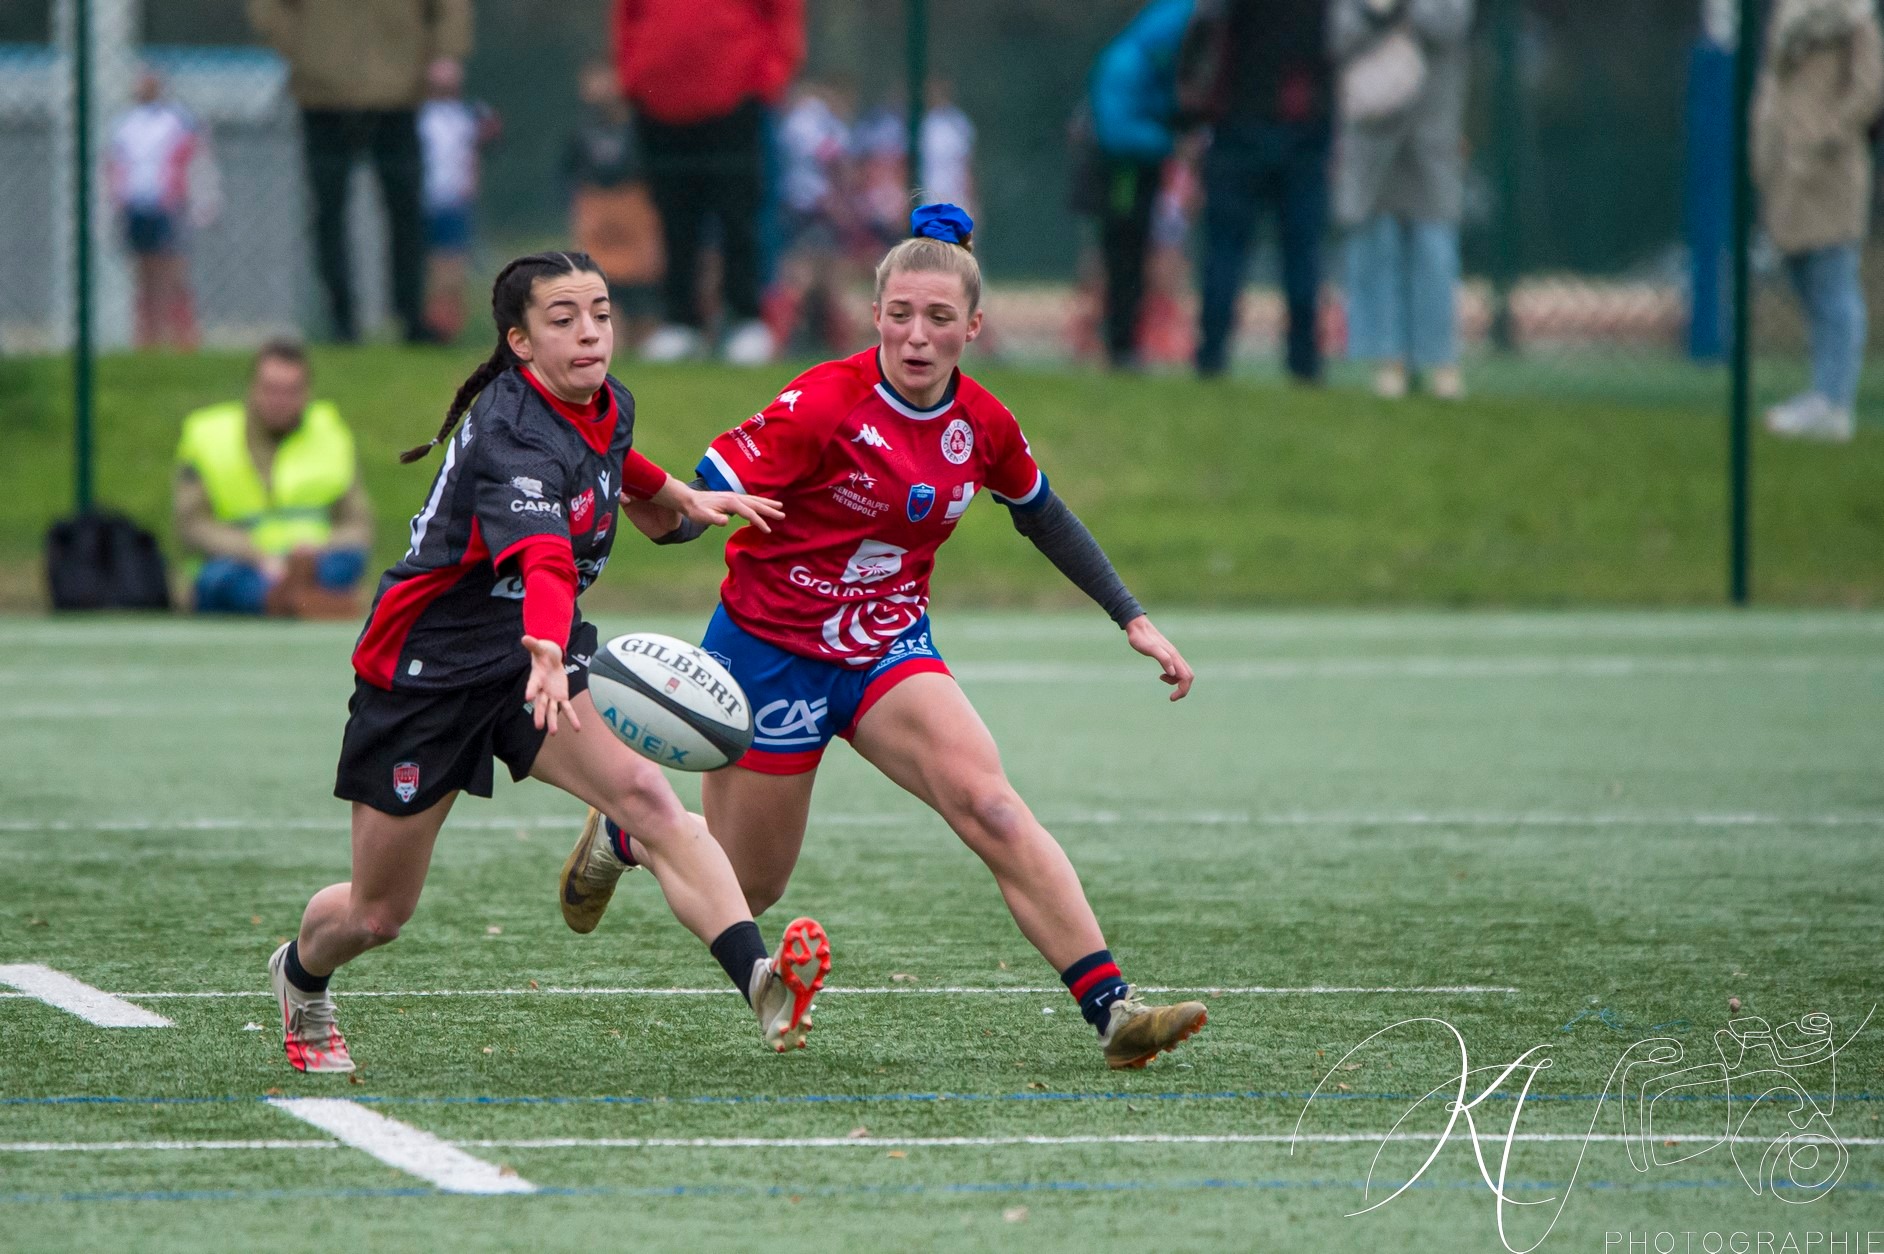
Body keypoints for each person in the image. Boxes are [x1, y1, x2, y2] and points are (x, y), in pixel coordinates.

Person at [558, 207, 1209, 1072]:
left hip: (885, 650)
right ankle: (629, 835)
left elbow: (1042, 514)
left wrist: (1132, 617)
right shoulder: (823, 403)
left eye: (939, 318)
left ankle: (1113, 1012)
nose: (917, 335)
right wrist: (622, 492)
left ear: (972, 327)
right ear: (875, 316)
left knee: (991, 805)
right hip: (768, 655)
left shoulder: (981, 422)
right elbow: (694, 504)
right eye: (900, 314)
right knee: (748, 886)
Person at [268, 251, 827, 1074]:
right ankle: (301, 975)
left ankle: (761, 980)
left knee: (648, 800)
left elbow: (610, 457)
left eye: (600, 313)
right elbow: (545, 559)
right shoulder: (512, 435)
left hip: (534, 659)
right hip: (426, 672)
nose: (590, 332)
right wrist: (544, 642)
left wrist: (678, 496)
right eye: (563, 319)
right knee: (378, 913)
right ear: (521, 343)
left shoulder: (605, 400)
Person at [246, 0, 471, 344]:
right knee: (328, 212)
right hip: (323, 93)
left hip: (399, 88)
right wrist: (303, 50)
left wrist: (445, 52)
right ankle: (341, 320)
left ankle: (410, 316)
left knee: (406, 209)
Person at [611, 0, 805, 366]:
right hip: (659, 102)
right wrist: (634, 75)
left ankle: (746, 319)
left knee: (739, 214)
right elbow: (627, 17)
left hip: (736, 99)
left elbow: (782, 16)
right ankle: (680, 321)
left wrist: (769, 77)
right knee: (673, 217)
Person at [1754, 0, 1884, 442]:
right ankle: (1822, 392)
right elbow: (1772, 81)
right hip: (1786, 166)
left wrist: (1829, 131)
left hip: (1832, 168)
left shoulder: (1856, 15)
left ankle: (1834, 401)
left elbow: (1869, 87)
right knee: (1802, 275)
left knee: (1833, 281)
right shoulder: (1787, 12)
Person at [1331, 0, 1474, 401]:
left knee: (1435, 250)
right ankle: (1387, 359)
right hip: (1370, 131)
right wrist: (1374, 12)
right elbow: (1339, 33)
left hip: (1433, 132)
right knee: (1374, 247)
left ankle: (1440, 361)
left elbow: (1452, 23)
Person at [174, 340, 373, 618]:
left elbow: (359, 527)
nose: (280, 401)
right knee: (218, 580)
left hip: (312, 562)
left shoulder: (331, 434)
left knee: (346, 561)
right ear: (252, 388)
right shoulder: (209, 436)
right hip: (242, 562)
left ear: (307, 393)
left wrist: (314, 550)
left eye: (291, 391)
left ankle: (289, 600)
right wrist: (255, 554)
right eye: (271, 389)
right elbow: (192, 525)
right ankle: (304, 602)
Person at [1191, 0, 1334, 381]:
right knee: (1301, 253)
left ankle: (1211, 356)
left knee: (1225, 250)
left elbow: (1205, 35)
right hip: (1302, 126)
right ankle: (1304, 362)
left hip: (1239, 125)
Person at [1088, 0, 1196, 369]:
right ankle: (1119, 342)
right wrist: (1170, 144)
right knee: (1123, 250)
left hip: (1139, 168)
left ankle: (1126, 340)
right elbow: (1115, 131)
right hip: (1125, 173)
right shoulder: (1129, 63)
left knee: (1133, 252)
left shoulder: (1151, 60)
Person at [109, 68, 216, 351]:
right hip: (136, 205)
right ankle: (148, 338)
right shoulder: (124, 124)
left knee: (173, 272)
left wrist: (202, 201)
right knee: (144, 274)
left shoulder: (179, 121)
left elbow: (198, 162)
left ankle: (183, 337)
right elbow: (114, 166)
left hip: (168, 205)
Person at [564, 61, 664, 347]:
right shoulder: (581, 131)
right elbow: (568, 176)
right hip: (597, 215)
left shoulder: (644, 127)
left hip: (637, 212)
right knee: (602, 288)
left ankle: (647, 345)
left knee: (644, 289)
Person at [418, 58, 501, 342]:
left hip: (454, 202)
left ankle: (448, 326)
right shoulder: (419, 115)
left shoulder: (467, 113)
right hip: (425, 200)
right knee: (430, 268)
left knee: (452, 267)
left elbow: (492, 134)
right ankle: (429, 323)